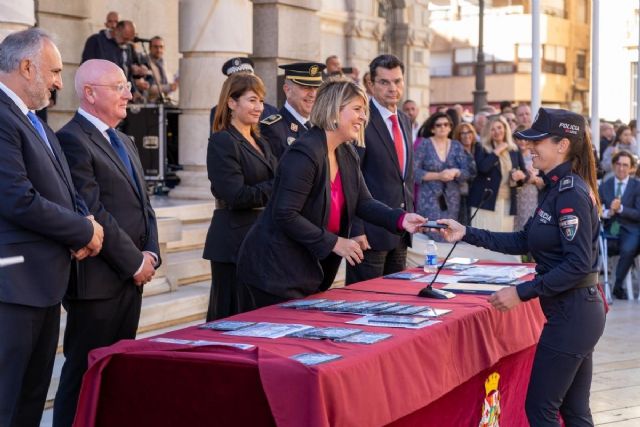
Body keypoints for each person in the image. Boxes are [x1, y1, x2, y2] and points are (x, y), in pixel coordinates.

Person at [436, 107, 605, 427]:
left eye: (537, 141)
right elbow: (523, 241)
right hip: (573, 312)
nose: (529, 147)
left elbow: (578, 264)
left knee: (542, 410)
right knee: (573, 412)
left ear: (562, 145)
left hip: (574, 313)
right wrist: (466, 232)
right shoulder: (556, 188)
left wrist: (521, 292)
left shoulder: (571, 193)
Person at [236, 78, 425, 309]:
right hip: (275, 270)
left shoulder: (346, 152)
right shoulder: (304, 153)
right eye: (357, 109)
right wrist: (334, 242)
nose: (364, 117)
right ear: (335, 110)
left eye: (363, 111)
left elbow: (363, 202)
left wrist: (400, 219)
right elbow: (285, 214)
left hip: (308, 269)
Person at [0, 28, 104, 427]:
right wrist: (81, 231)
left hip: (41, 285)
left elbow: (65, 186)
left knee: (30, 401)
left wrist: (84, 222)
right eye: (56, 71)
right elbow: (16, 198)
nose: (62, 82)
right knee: (7, 403)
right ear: (27, 67)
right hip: (13, 286)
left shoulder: (34, 120)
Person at [53, 59, 160, 427]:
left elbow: (144, 205)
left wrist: (152, 254)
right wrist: (134, 262)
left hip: (130, 278)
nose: (129, 93)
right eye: (118, 87)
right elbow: (93, 209)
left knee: (116, 371)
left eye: (126, 86)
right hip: (97, 282)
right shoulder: (70, 139)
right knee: (83, 372)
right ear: (89, 93)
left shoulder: (125, 139)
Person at [203, 73, 277, 320]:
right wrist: (277, 187)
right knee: (231, 319)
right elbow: (235, 195)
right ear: (232, 103)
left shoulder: (260, 140)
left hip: (261, 241)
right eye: (252, 100)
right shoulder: (223, 141)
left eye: (261, 101)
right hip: (233, 243)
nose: (259, 107)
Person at [345, 54, 415, 285]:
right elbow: (351, 179)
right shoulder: (361, 120)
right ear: (371, 84)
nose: (392, 88)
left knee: (397, 303)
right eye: (384, 82)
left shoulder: (404, 120)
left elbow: (404, 177)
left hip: (400, 231)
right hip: (369, 235)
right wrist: (356, 229)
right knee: (365, 305)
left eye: (397, 81)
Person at [414, 112, 475, 240]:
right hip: (429, 196)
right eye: (439, 125)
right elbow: (413, 171)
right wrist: (438, 175)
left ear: (450, 127)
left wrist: (455, 172)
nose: (443, 127)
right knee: (431, 232)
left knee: (448, 232)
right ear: (432, 128)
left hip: (452, 199)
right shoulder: (425, 144)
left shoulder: (456, 145)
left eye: (446, 124)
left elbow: (466, 173)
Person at [468, 115, 527, 232]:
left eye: (499, 127)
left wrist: (521, 176)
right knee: (482, 239)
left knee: (502, 239)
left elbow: (524, 172)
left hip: (508, 200)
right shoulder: (481, 147)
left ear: (505, 128)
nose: (497, 132)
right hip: (485, 201)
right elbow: (483, 168)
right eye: (493, 129)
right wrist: (497, 151)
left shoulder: (514, 149)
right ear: (488, 132)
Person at [260, 62, 325, 159]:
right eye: (305, 87)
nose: (312, 94)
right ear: (287, 90)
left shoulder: (322, 126)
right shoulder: (272, 129)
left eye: (316, 88)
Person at [599, 151, 640, 300]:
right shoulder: (605, 185)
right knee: (594, 246)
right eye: (618, 164)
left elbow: (638, 213)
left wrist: (621, 208)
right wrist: (607, 212)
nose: (621, 168)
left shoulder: (637, 186)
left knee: (628, 248)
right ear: (613, 165)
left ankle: (617, 285)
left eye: (625, 165)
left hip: (631, 229)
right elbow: (597, 208)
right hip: (610, 229)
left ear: (631, 168)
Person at [208, 57, 278, 134]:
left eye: (249, 78)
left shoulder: (271, 111)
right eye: (238, 81)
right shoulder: (218, 111)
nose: (245, 84)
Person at [81, 20, 149, 96]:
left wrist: (134, 91)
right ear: (117, 30)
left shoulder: (127, 47)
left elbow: (127, 74)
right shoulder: (96, 41)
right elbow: (86, 67)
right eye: (125, 38)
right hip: (100, 93)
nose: (126, 42)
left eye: (129, 40)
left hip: (120, 95)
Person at [514, 125, 545, 232]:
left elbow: (543, 178)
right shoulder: (513, 155)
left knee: (528, 222)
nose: (522, 141)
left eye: (525, 138)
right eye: (519, 138)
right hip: (516, 194)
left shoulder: (536, 155)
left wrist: (533, 179)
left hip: (532, 194)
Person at [452, 122, 479, 225]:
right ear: (458, 136)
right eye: (462, 133)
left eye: (469, 132)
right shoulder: (456, 152)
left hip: (477, 193)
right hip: (462, 195)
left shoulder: (478, 149)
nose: (466, 135)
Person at [147, 36, 178, 102]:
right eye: (155, 47)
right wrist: (168, 87)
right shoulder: (145, 63)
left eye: (161, 47)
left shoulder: (164, 64)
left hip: (166, 102)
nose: (159, 50)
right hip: (152, 105)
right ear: (150, 48)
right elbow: (148, 88)